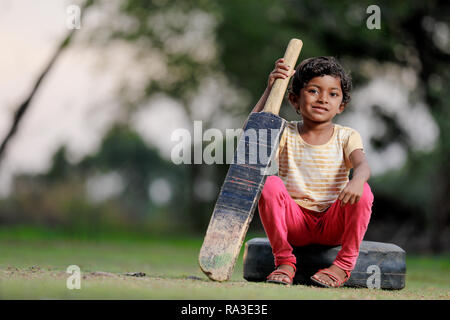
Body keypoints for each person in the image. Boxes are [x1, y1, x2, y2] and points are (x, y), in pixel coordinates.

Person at [251, 56, 374, 288]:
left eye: (332, 94)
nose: (322, 99)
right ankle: (285, 262)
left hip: (332, 223)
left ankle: (343, 266)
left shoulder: (346, 136)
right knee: (269, 184)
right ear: (294, 99)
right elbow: (251, 139)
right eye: (313, 91)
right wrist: (270, 89)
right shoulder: (284, 132)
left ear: (341, 106)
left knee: (364, 190)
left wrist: (357, 180)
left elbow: (363, 166)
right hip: (294, 224)